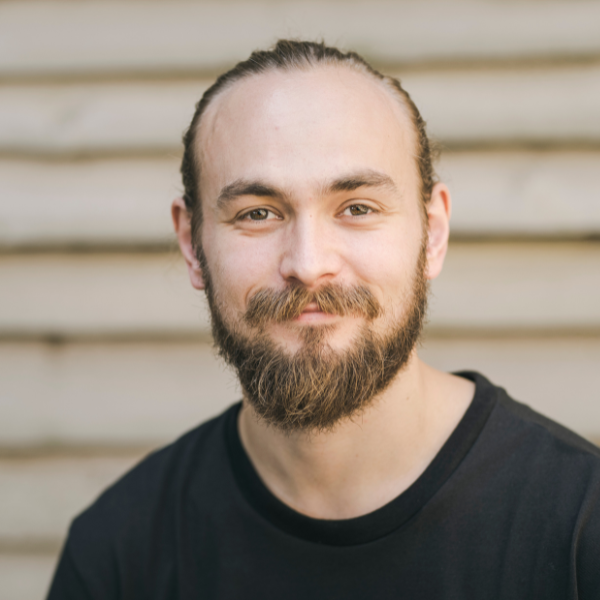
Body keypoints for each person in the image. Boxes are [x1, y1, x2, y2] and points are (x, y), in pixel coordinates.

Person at [47, 40, 600, 599]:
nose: (309, 265)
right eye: (258, 213)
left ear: (432, 233)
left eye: (357, 208)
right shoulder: (117, 554)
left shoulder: (582, 528)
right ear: (192, 246)